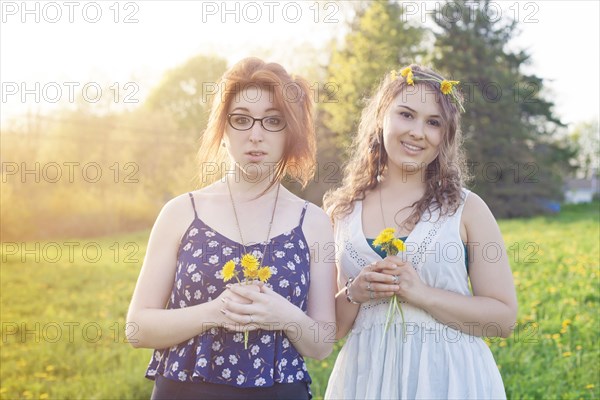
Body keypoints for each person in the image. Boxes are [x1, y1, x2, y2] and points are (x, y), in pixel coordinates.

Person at [126, 57, 336, 400]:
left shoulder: (312, 222)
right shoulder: (181, 213)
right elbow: (137, 328)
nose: (256, 134)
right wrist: (214, 312)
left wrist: (284, 315)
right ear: (222, 130)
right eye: (241, 120)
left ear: (291, 133)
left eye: (273, 121)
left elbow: (322, 344)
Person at [323, 64, 518, 399]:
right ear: (381, 117)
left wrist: (422, 294)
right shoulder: (342, 212)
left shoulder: (466, 209)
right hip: (366, 380)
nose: (417, 131)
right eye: (406, 114)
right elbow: (333, 330)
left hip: (449, 380)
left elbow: (502, 319)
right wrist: (356, 292)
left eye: (433, 122)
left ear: (445, 136)